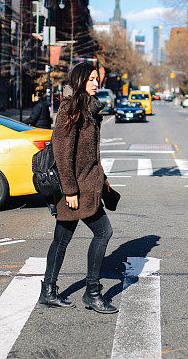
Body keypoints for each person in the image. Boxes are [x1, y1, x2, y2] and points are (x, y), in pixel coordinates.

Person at [38, 62, 117, 314]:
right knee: (103, 232)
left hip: (87, 183)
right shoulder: (70, 108)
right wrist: (70, 190)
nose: (96, 83)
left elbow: (91, 154)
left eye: (97, 79)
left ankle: (48, 291)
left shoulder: (90, 109)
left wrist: (102, 179)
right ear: (81, 79)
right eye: (92, 79)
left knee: (61, 239)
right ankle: (92, 293)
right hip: (75, 188)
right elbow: (62, 151)